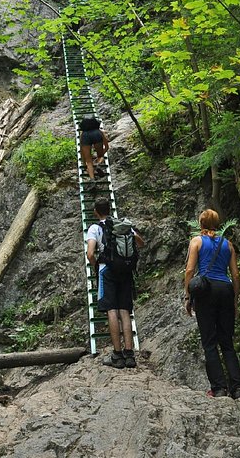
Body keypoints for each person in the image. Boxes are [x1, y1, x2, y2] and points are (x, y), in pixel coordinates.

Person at [183, 209, 240, 399]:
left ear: (201, 224)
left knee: (209, 342)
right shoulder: (228, 244)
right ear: (217, 224)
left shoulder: (196, 242)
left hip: (206, 291)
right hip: (225, 290)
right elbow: (235, 274)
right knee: (227, 342)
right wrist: (235, 300)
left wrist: (188, 296)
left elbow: (190, 270)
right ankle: (238, 388)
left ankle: (219, 388)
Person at [86, 197, 145, 368]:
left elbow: (90, 253)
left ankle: (117, 355)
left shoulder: (95, 228)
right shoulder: (122, 226)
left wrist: (97, 266)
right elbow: (140, 243)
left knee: (111, 310)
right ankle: (129, 354)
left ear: (96, 211)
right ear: (110, 209)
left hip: (107, 270)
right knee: (125, 310)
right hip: (125, 271)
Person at [78, 114, 109, 180]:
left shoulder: (82, 134)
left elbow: (82, 151)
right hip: (96, 135)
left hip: (85, 137)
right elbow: (106, 147)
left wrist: (84, 164)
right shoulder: (99, 132)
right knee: (100, 156)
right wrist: (101, 155)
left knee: (89, 161)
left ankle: (92, 179)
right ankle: (98, 164)